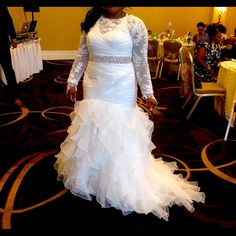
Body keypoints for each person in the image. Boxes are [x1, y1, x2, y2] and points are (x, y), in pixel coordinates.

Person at [54, 6, 205, 221]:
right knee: (94, 125)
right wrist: (72, 81)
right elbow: (82, 55)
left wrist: (148, 93)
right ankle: (93, 175)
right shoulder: (91, 22)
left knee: (119, 128)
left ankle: (119, 180)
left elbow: (141, 62)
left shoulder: (135, 24)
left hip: (121, 83)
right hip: (94, 81)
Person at [0, 2, 23, 107]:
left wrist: (13, 37)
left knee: (8, 69)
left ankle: (14, 96)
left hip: (2, 41)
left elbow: (8, 20)